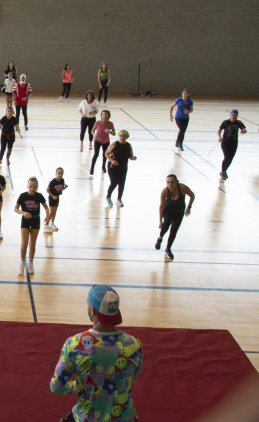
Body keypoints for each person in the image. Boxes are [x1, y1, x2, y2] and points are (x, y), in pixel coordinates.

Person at [50, 284, 142, 422]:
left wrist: (74, 385)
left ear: (93, 310)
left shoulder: (75, 344)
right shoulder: (135, 345)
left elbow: (56, 387)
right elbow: (131, 378)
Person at [14, 177, 49, 275]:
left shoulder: (39, 196)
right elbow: (15, 209)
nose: (32, 189)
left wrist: (47, 216)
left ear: (37, 187)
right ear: (27, 186)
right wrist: (23, 213)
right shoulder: (23, 196)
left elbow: (46, 207)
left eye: (34, 187)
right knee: (24, 243)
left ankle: (30, 262)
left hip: (35, 220)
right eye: (30, 186)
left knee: (32, 243)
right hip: (25, 220)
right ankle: (22, 262)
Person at [155, 174, 194, 261]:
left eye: (172, 182)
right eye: (167, 182)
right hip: (168, 210)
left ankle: (168, 249)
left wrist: (189, 207)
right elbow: (161, 206)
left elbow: (192, 195)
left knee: (174, 230)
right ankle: (160, 238)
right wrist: (160, 220)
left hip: (179, 212)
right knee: (166, 223)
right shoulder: (165, 191)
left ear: (176, 182)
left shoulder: (183, 188)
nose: (169, 185)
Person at [105, 130, 136, 207]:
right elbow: (107, 153)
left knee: (122, 184)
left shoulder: (128, 145)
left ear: (127, 137)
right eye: (121, 136)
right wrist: (112, 161)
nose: (122, 137)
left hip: (123, 167)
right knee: (114, 182)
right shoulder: (115, 144)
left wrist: (133, 158)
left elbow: (130, 156)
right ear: (119, 136)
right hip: (113, 167)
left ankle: (119, 199)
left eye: (124, 136)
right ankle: (108, 197)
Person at [218, 109, 248, 180]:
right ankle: (223, 171)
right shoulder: (226, 122)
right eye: (232, 115)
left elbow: (244, 129)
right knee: (227, 157)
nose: (233, 117)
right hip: (225, 142)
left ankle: (224, 170)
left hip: (234, 143)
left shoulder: (238, 123)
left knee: (230, 158)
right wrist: (220, 138)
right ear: (230, 115)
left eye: (235, 115)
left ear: (237, 116)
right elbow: (219, 130)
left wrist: (243, 131)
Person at [90, 109, 115, 175]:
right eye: (103, 114)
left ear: (108, 116)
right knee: (96, 154)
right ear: (101, 115)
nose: (104, 116)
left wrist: (109, 131)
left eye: (106, 115)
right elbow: (92, 131)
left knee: (105, 155)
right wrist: (94, 134)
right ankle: (92, 168)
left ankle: (103, 167)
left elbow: (114, 133)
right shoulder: (97, 123)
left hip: (106, 141)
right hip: (97, 140)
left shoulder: (110, 124)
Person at [45, 167, 68, 232]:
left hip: (57, 197)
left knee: (55, 211)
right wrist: (52, 196)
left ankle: (52, 223)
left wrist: (64, 187)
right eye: (59, 173)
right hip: (52, 198)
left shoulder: (62, 180)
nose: (60, 175)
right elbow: (47, 190)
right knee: (51, 212)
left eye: (62, 173)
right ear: (56, 173)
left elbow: (61, 188)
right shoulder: (53, 182)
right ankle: (46, 225)